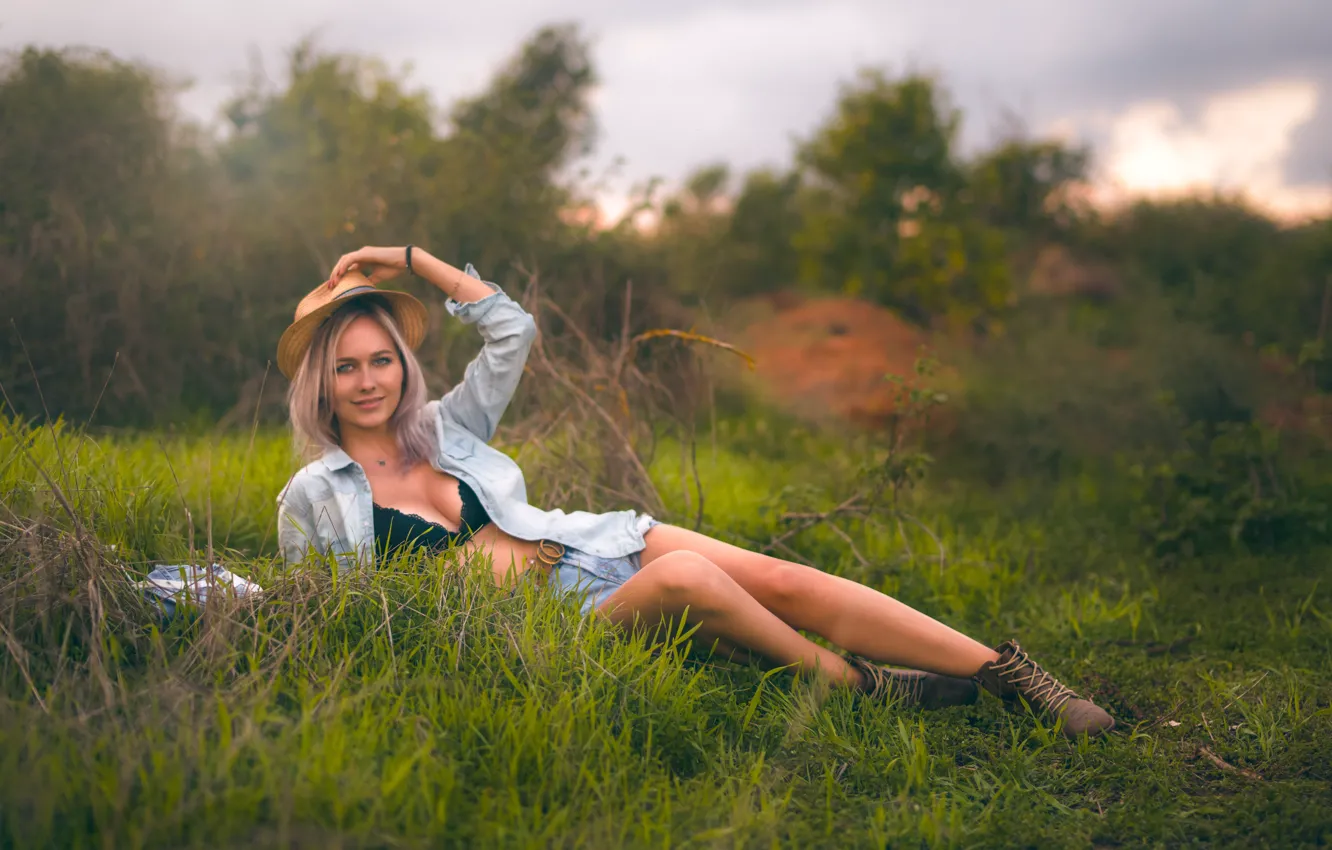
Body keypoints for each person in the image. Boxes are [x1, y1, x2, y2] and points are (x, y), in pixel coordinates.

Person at [275, 244, 1116, 738]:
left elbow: (511, 328)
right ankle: (859, 685)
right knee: (690, 581)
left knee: (785, 579)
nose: (367, 381)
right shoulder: (315, 495)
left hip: (592, 546)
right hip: (563, 625)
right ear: (322, 380)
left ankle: (1018, 678)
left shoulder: (449, 427)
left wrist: (410, 261)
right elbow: (333, 623)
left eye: (380, 359)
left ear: (402, 364)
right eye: (345, 366)